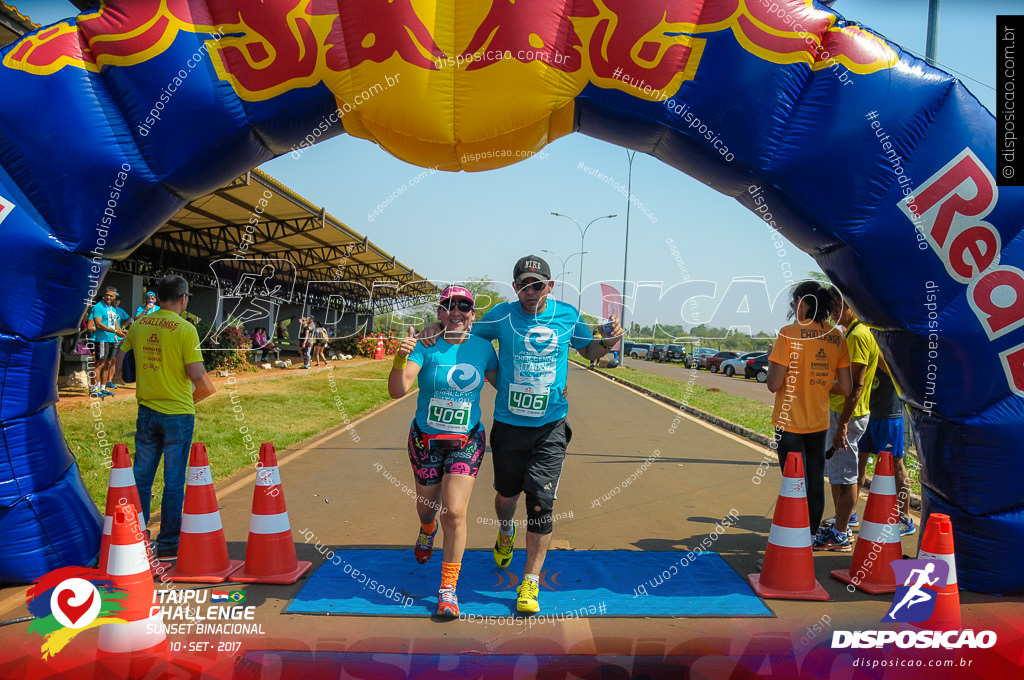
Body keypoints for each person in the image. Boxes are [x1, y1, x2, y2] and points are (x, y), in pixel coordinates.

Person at [421, 256, 623, 615]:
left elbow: (589, 350)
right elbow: (461, 334)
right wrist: (430, 330)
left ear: (550, 286)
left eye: (538, 285)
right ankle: (504, 531)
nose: (531, 292)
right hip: (510, 426)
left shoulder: (566, 315)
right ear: (515, 288)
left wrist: (606, 342)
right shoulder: (501, 315)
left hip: (551, 427)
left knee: (541, 504)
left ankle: (529, 581)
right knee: (506, 497)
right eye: (524, 286)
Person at [388, 286, 498, 618]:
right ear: (439, 313)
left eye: (464, 306)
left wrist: (554, 388)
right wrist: (399, 359)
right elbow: (397, 390)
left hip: (467, 441)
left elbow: (506, 384)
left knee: (454, 512)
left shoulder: (483, 349)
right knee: (428, 510)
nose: (457, 311)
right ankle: (426, 530)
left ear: (473, 315)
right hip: (425, 441)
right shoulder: (427, 345)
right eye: (449, 306)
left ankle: (448, 589)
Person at [118, 275, 215, 559]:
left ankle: (136, 537)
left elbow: (122, 363)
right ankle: (169, 542)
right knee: (173, 481)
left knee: (141, 477)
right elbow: (196, 374)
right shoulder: (185, 329)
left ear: (158, 297)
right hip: (178, 413)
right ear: (183, 298)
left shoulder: (139, 324)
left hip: (147, 411)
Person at [766, 281, 852, 543]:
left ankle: (792, 539)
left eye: (795, 302)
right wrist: (820, 382)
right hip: (818, 422)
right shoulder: (836, 337)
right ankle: (811, 536)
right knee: (815, 480)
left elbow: (773, 384)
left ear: (804, 303)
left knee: (794, 483)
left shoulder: (788, 334)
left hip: (789, 423)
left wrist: (773, 358)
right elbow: (846, 387)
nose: (794, 307)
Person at [817, 291, 879, 551]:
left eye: (839, 305)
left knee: (846, 478)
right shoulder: (852, 332)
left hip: (848, 416)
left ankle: (841, 534)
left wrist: (842, 424)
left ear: (852, 305)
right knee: (836, 475)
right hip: (840, 413)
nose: (834, 311)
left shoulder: (858, 335)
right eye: (831, 306)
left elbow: (854, 386)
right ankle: (841, 524)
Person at [856, 355, 915, 536]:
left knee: (895, 465)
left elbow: (886, 366)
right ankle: (850, 512)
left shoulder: (886, 339)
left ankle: (904, 517)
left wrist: (871, 340)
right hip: (866, 412)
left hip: (889, 415)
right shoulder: (867, 335)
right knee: (858, 461)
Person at [90, 286, 126, 397]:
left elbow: (115, 323)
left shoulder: (113, 309)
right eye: (107, 295)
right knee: (100, 363)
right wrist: (115, 331)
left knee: (108, 364)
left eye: (111, 296)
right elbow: (99, 324)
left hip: (112, 339)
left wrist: (121, 331)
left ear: (114, 297)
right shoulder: (98, 307)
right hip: (102, 339)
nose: (108, 297)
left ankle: (103, 387)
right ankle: (93, 389)